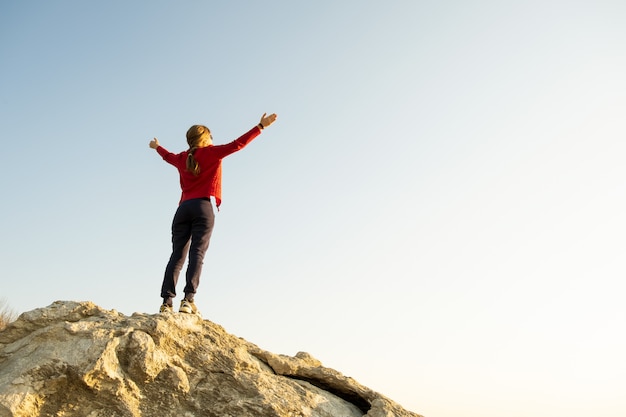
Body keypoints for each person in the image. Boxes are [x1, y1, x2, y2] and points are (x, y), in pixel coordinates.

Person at [149, 113, 278, 314]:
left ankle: (166, 303)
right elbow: (238, 144)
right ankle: (188, 300)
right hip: (203, 208)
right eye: (211, 136)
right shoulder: (212, 152)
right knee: (197, 253)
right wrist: (260, 126)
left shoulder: (182, 158)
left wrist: (157, 147)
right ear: (205, 138)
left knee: (177, 256)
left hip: (182, 210)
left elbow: (167, 157)